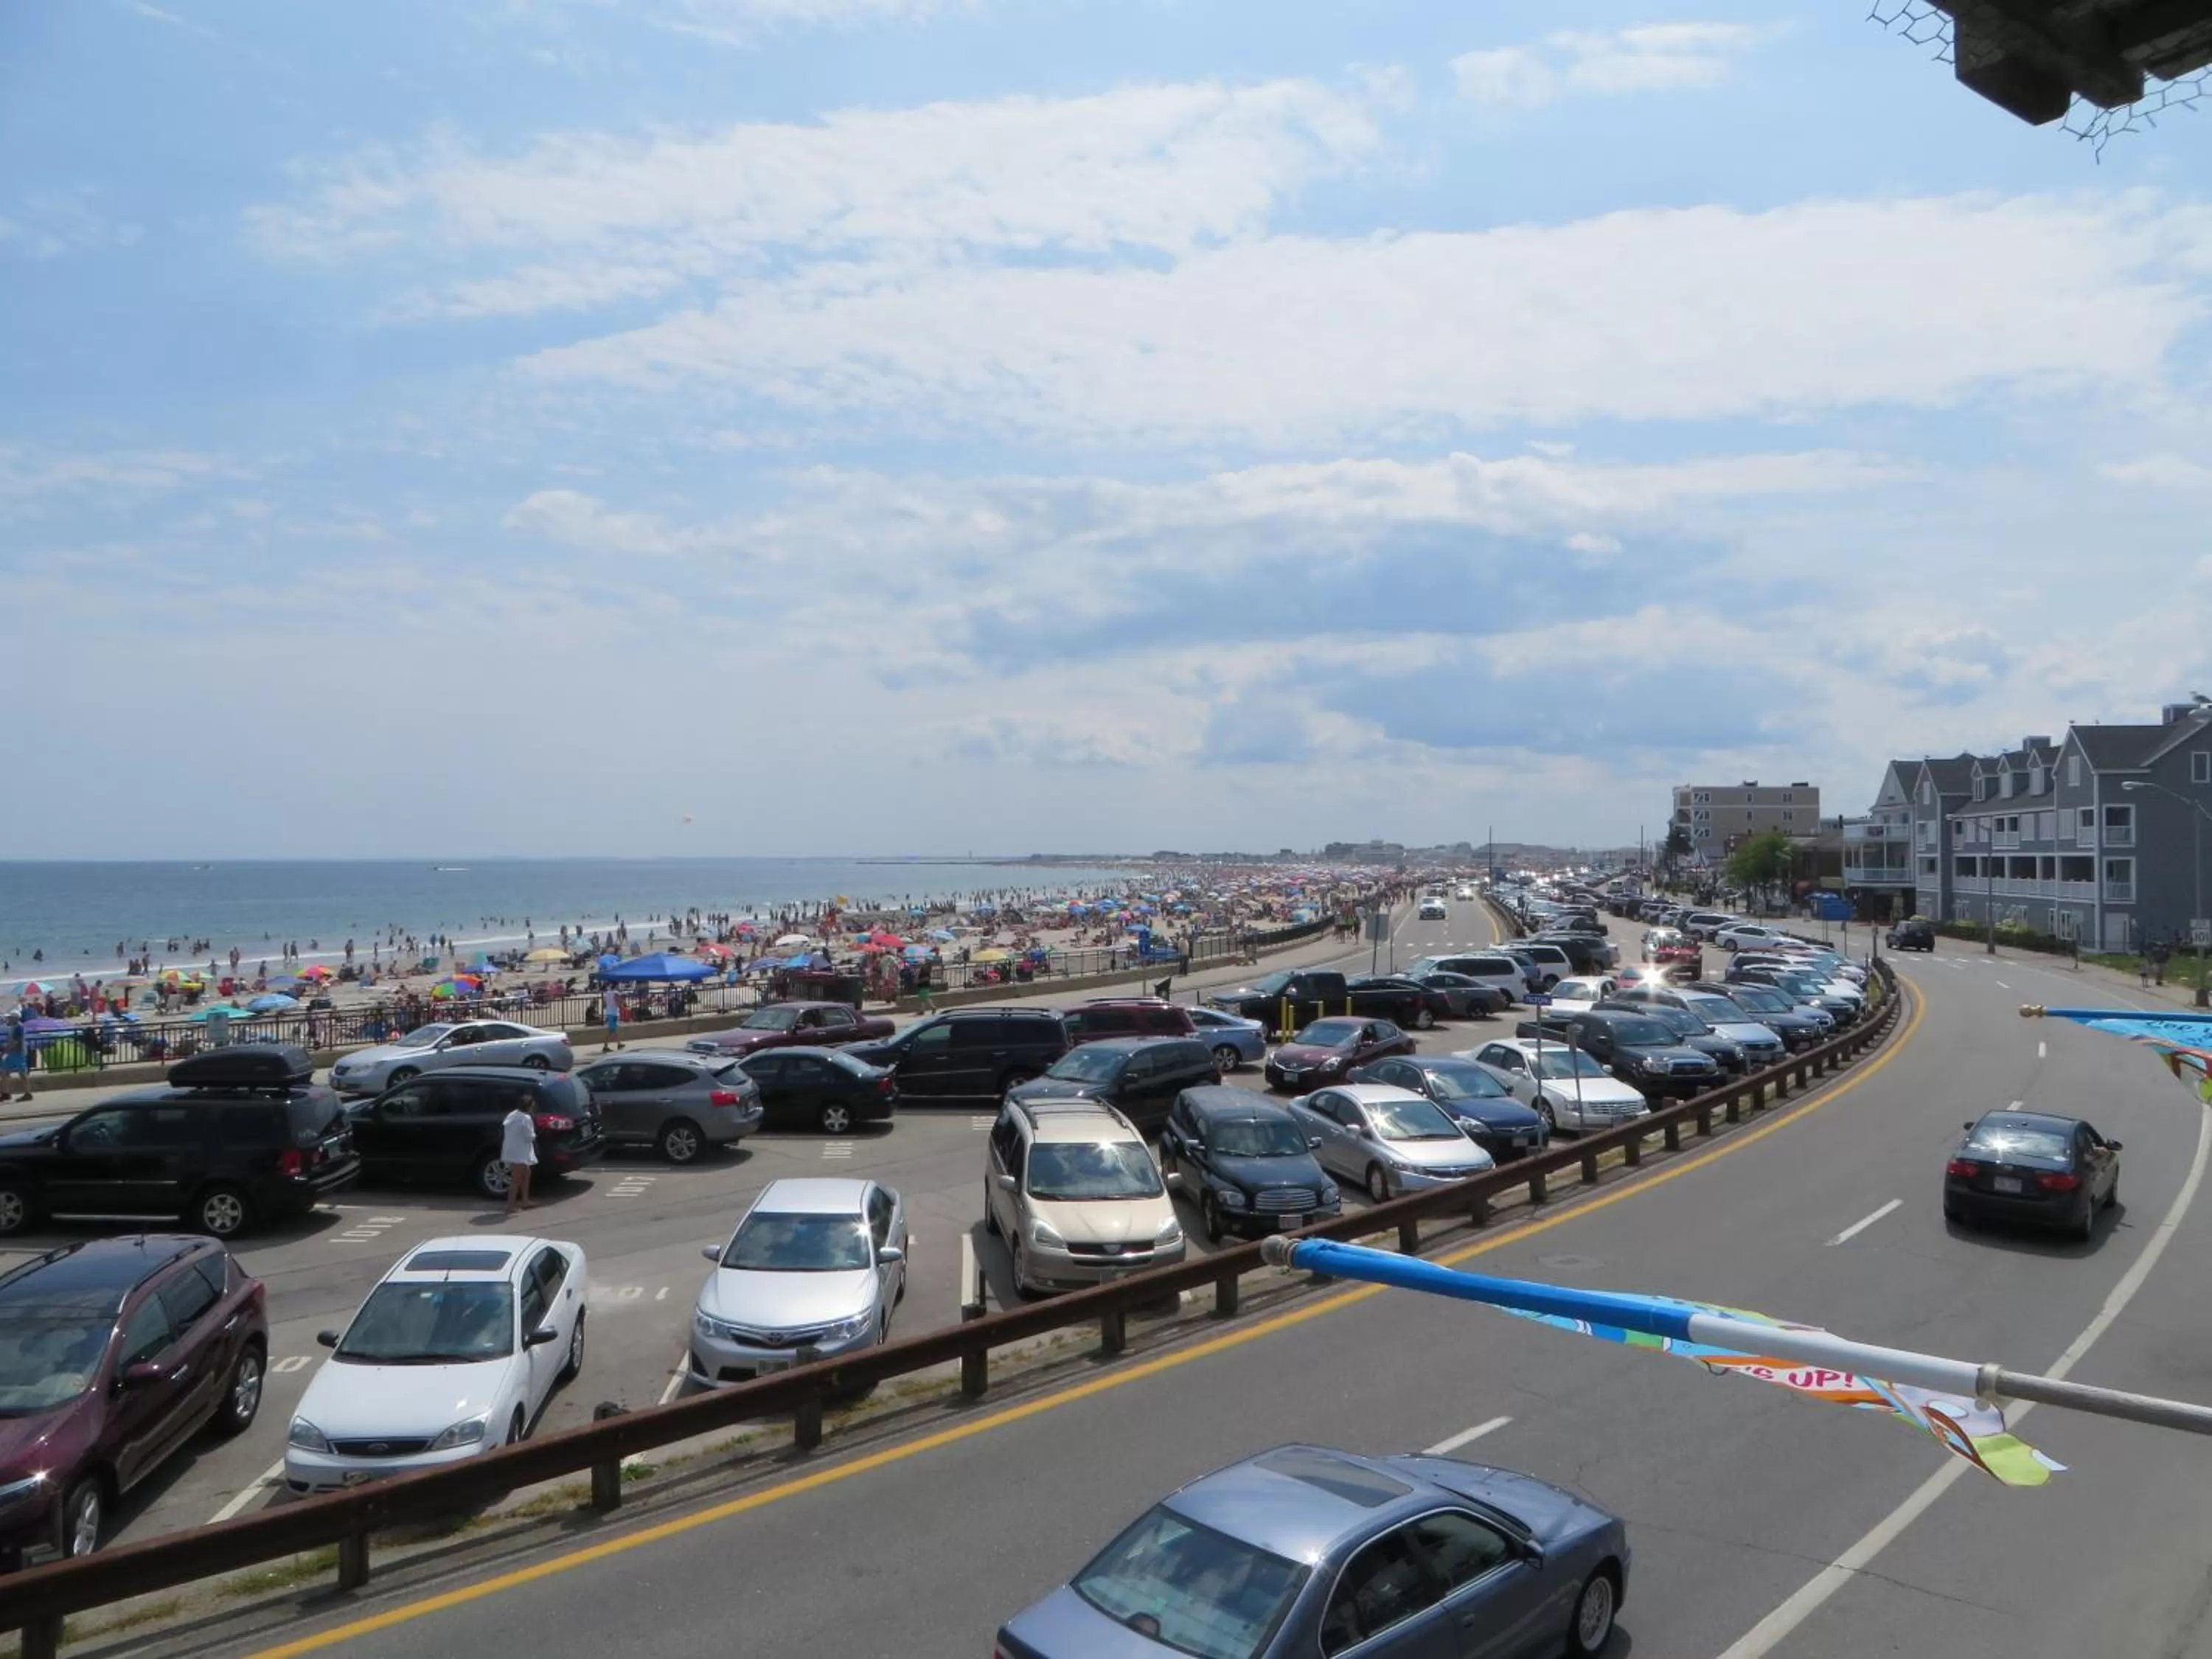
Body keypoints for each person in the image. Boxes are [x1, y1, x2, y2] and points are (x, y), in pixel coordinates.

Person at [499, 1098, 537, 1216]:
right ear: (529, 1106)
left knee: (526, 1173)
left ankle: (525, 1201)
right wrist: (534, 1135)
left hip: (512, 1150)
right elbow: (529, 1136)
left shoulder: (513, 1115)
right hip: (520, 1153)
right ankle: (510, 1206)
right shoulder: (526, 1118)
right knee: (516, 1179)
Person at [2, 1012, 29, 1102]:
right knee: (4, 1072)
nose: (8, 1019)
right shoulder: (14, 1027)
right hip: (12, 1053)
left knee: (22, 1074)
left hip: (18, 1053)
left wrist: (5, 1049)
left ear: (15, 1018)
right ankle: (6, 1093)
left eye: (10, 1018)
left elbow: (16, 1042)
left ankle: (28, 1093)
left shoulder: (19, 1027)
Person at [601, 984, 623, 1052]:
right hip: (614, 1013)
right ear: (616, 986)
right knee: (612, 1030)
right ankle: (606, 1046)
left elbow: (604, 1004)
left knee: (613, 1030)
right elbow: (618, 1003)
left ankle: (619, 1044)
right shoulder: (616, 993)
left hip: (609, 1013)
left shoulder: (607, 993)